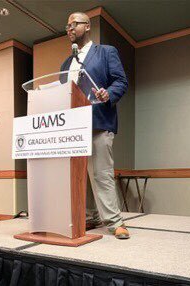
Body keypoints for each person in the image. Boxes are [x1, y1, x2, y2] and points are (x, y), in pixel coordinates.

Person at [60, 12, 130, 239]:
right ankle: (91, 217)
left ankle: (114, 222)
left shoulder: (106, 52)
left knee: (101, 173)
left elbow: (121, 81)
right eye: (67, 26)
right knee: (80, 176)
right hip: (73, 127)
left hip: (99, 121)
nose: (69, 29)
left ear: (87, 26)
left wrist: (107, 93)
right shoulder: (65, 63)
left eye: (74, 24)